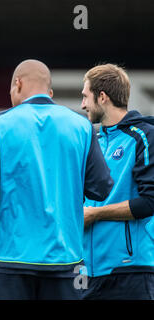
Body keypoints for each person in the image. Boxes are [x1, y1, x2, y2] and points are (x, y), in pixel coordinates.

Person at [0, 59, 114, 300]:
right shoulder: (82, 126)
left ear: (18, 83)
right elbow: (102, 188)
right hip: (66, 261)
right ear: (50, 93)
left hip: (10, 260)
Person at [81, 64, 154, 299]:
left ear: (102, 97)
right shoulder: (89, 139)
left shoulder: (144, 135)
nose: (82, 105)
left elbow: (149, 202)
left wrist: (95, 214)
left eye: (85, 97)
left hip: (132, 270)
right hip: (88, 272)